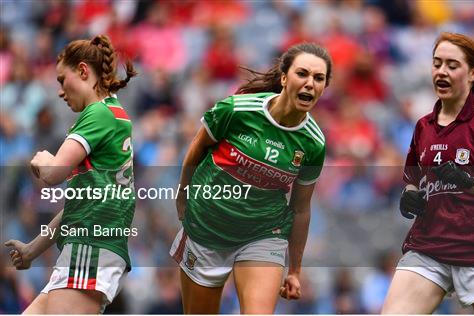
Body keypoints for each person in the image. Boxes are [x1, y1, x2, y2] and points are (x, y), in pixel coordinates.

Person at [169, 42, 332, 314]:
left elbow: (301, 208)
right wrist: (182, 195)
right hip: (206, 227)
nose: (310, 84)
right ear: (283, 77)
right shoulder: (236, 110)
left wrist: (294, 270)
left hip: (263, 234)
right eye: (302, 74)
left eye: (319, 78)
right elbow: (196, 150)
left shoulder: (314, 143)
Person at [382, 32, 474, 314]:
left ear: (473, 73)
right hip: (428, 250)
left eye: (452, 65)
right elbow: (414, 182)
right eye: (437, 63)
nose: (442, 71)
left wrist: (469, 183)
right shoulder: (423, 127)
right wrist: (410, 196)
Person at [4, 34, 137, 314]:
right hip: (84, 245)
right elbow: (79, 205)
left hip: (90, 245)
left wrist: (42, 158)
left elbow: (53, 174)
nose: (61, 92)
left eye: (62, 80)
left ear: (83, 71)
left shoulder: (98, 114)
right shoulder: (111, 115)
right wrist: (33, 249)